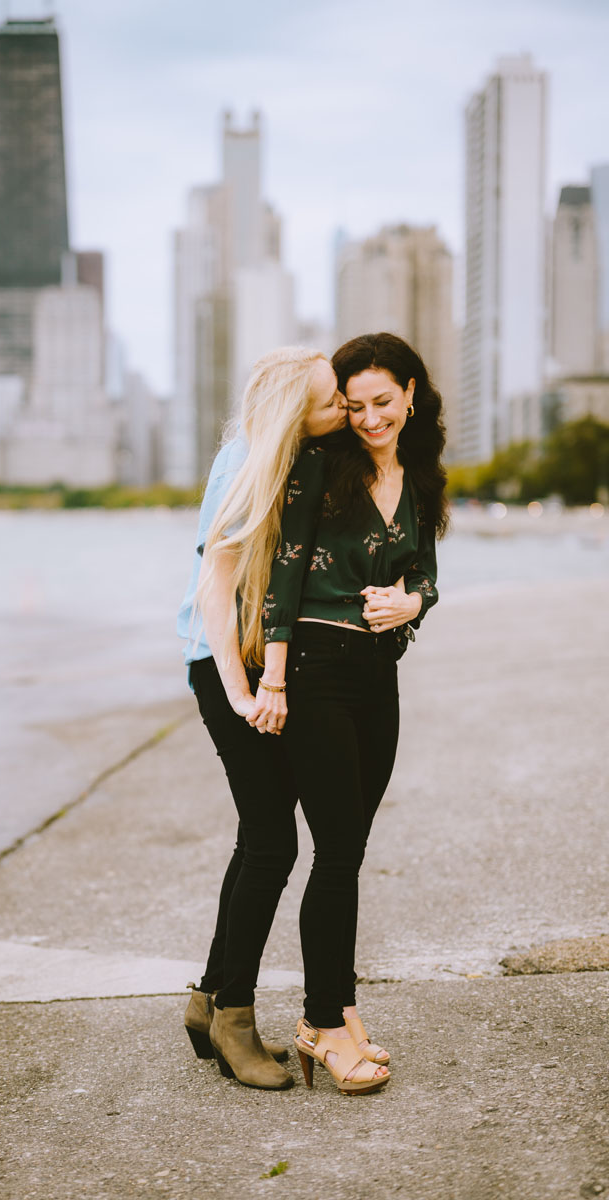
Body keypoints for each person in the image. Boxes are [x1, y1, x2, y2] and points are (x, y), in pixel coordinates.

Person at [253, 331, 448, 1094]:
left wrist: (411, 602)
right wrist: (273, 680)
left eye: (382, 403)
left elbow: (425, 577)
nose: (368, 419)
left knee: (350, 851)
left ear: (409, 394)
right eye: (354, 404)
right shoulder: (320, 465)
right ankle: (323, 1024)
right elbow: (283, 572)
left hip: (377, 675)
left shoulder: (424, 478)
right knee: (335, 851)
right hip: (314, 670)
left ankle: (339, 1006)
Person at [177, 346, 347, 1090]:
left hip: (246, 662)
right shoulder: (252, 462)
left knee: (261, 835)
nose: (343, 407)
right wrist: (241, 693)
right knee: (274, 841)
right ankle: (233, 1017)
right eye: (332, 400)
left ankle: (207, 996)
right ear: (293, 413)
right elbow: (214, 592)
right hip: (223, 664)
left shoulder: (294, 455)